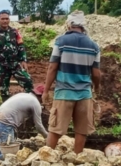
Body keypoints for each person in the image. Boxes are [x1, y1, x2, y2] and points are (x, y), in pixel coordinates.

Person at [42, 11, 101, 154]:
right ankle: (77, 158)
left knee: (55, 129)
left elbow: (52, 67)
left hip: (64, 92)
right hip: (84, 94)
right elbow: (96, 73)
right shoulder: (94, 46)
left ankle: (46, 159)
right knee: (81, 130)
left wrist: (46, 90)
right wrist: (97, 87)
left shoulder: (61, 41)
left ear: (68, 24)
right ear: (83, 25)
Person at [0, 10, 34, 102]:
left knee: (27, 81)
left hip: (15, 64)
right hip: (1, 65)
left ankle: (30, 102)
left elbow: (21, 46)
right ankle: (6, 107)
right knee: (3, 89)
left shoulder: (15, 32)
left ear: (9, 19)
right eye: (2, 19)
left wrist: (23, 60)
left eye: (7, 18)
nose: (5, 21)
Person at [0, 85, 49, 160]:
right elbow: (39, 127)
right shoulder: (35, 103)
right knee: (8, 155)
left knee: (4, 151)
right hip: (5, 123)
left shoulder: (25, 95)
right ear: (41, 96)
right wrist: (48, 137)